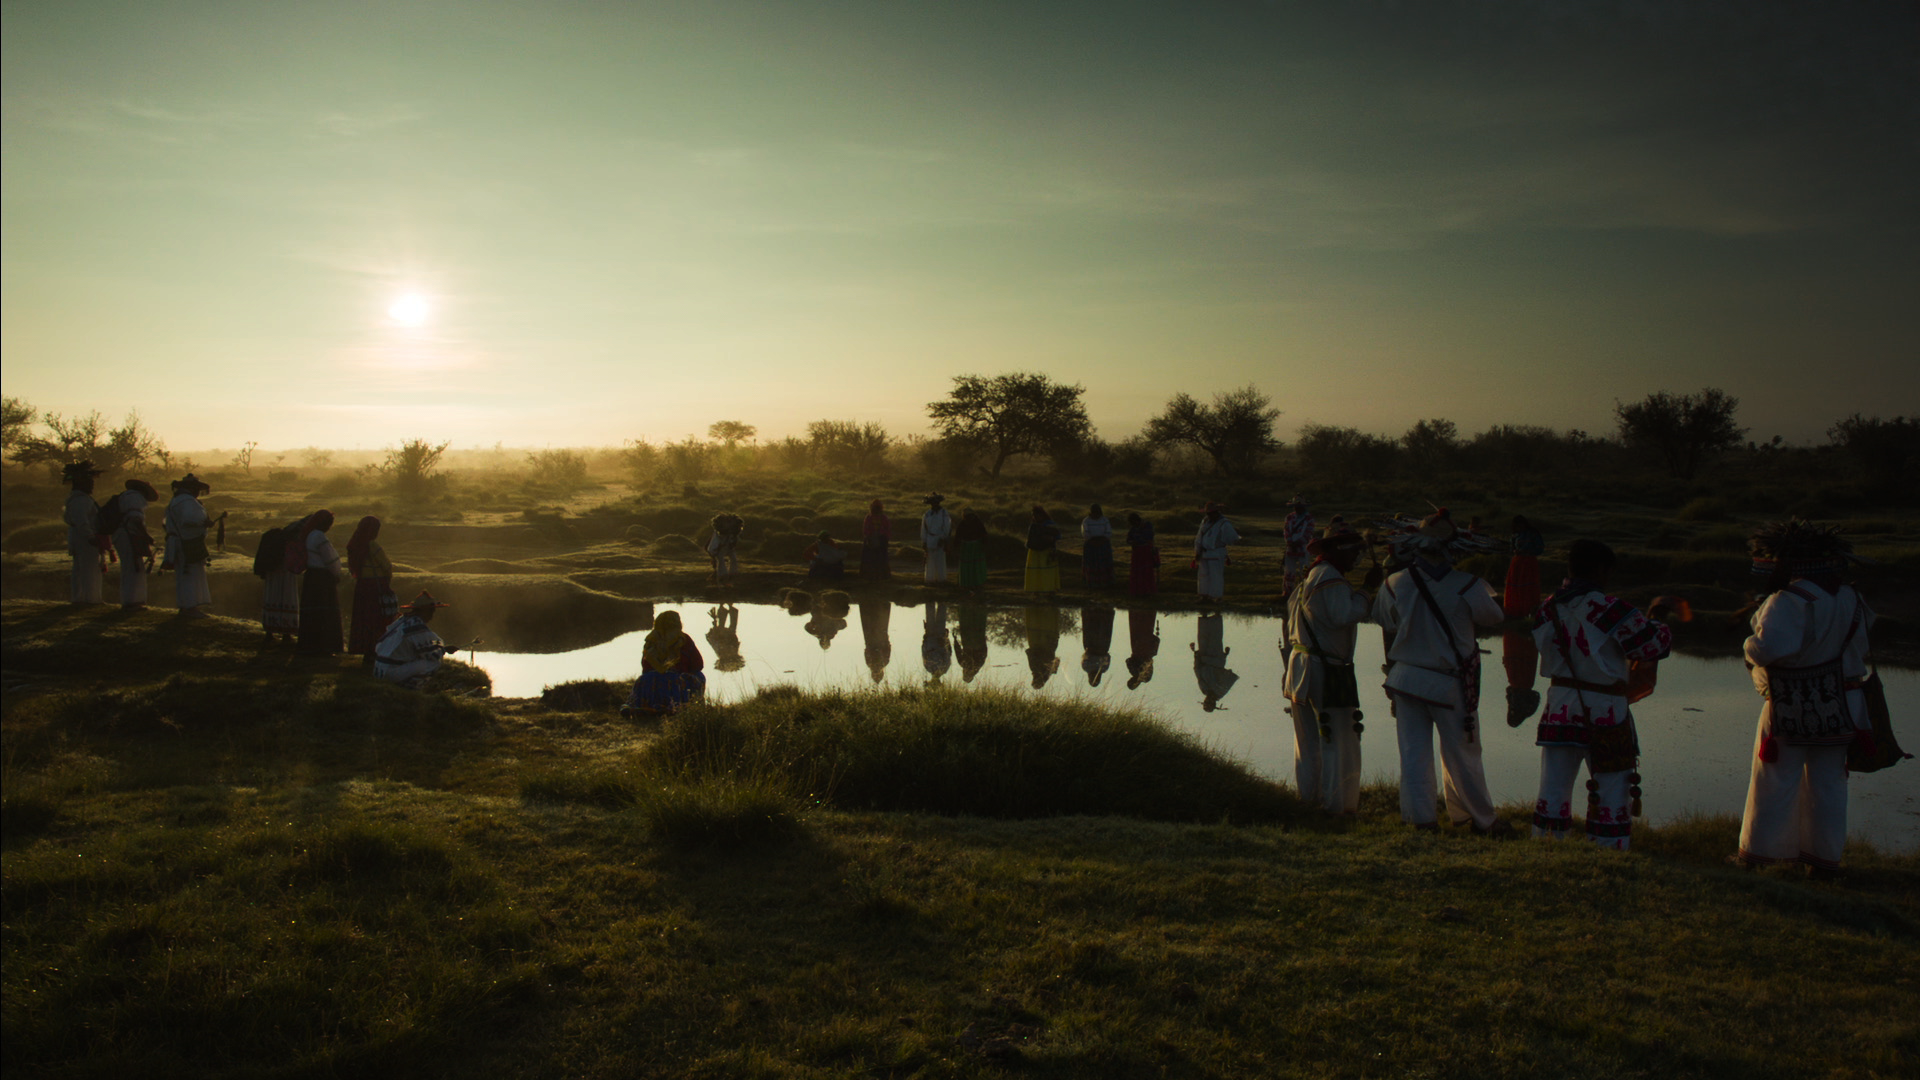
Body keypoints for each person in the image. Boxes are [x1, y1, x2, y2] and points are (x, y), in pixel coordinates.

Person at [1732, 521, 1876, 877]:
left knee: (1775, 780)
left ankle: (1759, 857)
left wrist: (1749, 641)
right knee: (1829, 784)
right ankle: (1823, 861)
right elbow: (1862, 645)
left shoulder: (1787, 601)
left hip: (1791, 705)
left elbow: (1767, 650)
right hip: (1844, 705)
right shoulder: (1851, 597)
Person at [1370, 509, 1510, 834]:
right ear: (1454, 547)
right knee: (1464, 754)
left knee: (1413, 753)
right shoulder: (1470, 585)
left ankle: (1421, 820)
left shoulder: (1393, 583)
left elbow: (1384, 621)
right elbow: (1495, 617)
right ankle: (1480, 820)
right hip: (1448, 684)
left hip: (1406, 680)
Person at [1531, 540, 1672, 850]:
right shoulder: (1611, 609)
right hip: (1605, 708)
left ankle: (1547, 848)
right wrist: (1658, 618)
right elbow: (1652, 646)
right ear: (1600, 570)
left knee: (1553, 785)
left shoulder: (1547, 607)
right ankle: (1607, 851)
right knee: (1612, 786)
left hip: (1560, 707)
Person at [1283, 523, 1378, 815]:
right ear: (1336, 550)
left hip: (1301, 668)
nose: (1356, 560)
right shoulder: (1331, 580)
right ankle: (1334, 805)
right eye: (1353, 553)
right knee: (1336, 739)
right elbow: (1343, 615)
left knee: (1309, 741)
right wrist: (1367, 590)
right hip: (1324, 670)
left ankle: (1310, 800)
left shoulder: (1310, 578)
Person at [623, 610, 707, 716]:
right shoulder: (684, 639)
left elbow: (645, 667)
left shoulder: (651, 640)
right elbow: (698, 665)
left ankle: (645, 707)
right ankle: (682, 706)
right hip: (675, 682)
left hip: (650, 680)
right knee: (699, 675)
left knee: (646, 678)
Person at [161, 473, 215, 617]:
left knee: (184, 575)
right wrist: (205, 523)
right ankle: (190, 607)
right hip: (187, 543)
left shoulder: (177, 500)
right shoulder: (187, 501)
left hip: (180, 541)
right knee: (189, 574)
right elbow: (190, 520)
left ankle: (186, 606)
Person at [374, 591, 452, 688]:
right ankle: (410, 687)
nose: (432, 615)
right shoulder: (416, 625)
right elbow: (431, 654)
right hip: (390, 672)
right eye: (431, 611)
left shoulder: (402, 620)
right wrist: (443, 649)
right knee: (433, 663)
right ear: (424, 611)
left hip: (379, 669)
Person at [295, 510, 346, 656]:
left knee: (312, 612)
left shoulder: (309, 535)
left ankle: (310, 645)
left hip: (312, 577)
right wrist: (337, 573)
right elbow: (330, 560)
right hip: (322, 578)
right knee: (325, 612)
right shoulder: (319, 537)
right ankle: (324, 646)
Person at [345, 516, 397, 660]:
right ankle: (375, 649)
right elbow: (386, 566)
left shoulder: (354, 545)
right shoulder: (372, 545)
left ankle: (363, 647)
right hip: (375, 585)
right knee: (376, 618)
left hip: (362, 585)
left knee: (363, 617)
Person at [109, 479, 159, 609]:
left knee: (129, 567)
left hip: (121, 534)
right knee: (133, 567)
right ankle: (133, 601)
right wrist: (146, 536)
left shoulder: (124, 496)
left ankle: (132, 600)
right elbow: (135, 519)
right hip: (128, 534)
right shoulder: (135, 497)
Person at [62, 461, 106, 604]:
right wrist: (90, 537)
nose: (92, 484)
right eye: (89, 481)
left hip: (81, 537)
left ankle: (83, 598)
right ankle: (89, 599)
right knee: (88, 569)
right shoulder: (80, 501)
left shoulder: (80, 499)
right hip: (84, 539)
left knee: (83, 569)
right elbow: (81, 521)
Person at [253, 520, 303, 642]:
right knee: (287, 598)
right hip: (286, 574)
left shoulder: (271, 538)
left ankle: (269, 632)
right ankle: (287, 633)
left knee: (271, 599)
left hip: (272, 574)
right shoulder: (289, 542)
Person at [1192, 612, 1238, 712]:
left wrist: (1196, 657)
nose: (1208, 700)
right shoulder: (1221, 691)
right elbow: (1229, 675)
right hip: (1216, 658)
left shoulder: (1204, 689)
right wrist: (1224, 656)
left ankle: (1204, 615)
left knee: (1203, 637)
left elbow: (1198, 672)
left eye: (1206, 702)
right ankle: (1217, 614)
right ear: (1214, 703)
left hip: (1203, 658)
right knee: (1215, 637)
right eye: (1210, 703)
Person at [1193, 502, 1239, 602]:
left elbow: (1232, 538)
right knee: (1203, 575)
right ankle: (1204, 596)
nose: (1209, 515)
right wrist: (1197, 551)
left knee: (1216, 576)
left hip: (1216, 552)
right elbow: (1199, 537)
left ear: (1216, 512)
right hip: (1204, 553)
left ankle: (1216, 597)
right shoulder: (1205, 521)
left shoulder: (1224, 523)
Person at [1023, 506, 1062, 593]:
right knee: (1035, 572)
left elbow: (1058, 536)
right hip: (1034, 553)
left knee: (1047, 572)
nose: (1035, 517)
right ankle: (1036, 590)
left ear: (1042, 515)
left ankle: (1048, 589)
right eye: (1034, 515)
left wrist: (1051, 539)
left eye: (1037, 515)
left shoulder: (1050, 524)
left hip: (1046, 552)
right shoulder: (1033, 526)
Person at [1282, 497, 1315, 596]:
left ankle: (1305, 591)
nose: (1297, 508)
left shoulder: (1309, 518)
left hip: (1303, 547)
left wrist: (1299, 542)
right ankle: (1288, 591)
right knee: (1289, 570)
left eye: (1299, 506)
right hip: (1291, 547)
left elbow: (1309, 532)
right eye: (1296, 506)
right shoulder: (1289, 517)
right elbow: (1286, 531)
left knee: (1304, 570)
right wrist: (1290, 542)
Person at [1023, 605, 1061, 689]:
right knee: (1043, 619)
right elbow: (1031, 654)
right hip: (1042, 642)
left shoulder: (1050, 671)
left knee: (1047, 619)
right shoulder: (1038, 669)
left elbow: (1057, 659)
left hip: (1048, 642)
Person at [919, 493, 953, 584]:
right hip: (930, 539)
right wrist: (924, 541)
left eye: (936, 503)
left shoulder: (944, 513)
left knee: (940, 560)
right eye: (932, 503)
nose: (934, 504)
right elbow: (924, 529)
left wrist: (944, 538)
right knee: (930, 560)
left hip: (940, 538)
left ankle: (941, 579)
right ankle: (930, 580)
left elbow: (947, 527)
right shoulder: (927, 514)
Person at [858, 597, 892, 682]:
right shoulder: (873, 663)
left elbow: (887, 648)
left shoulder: (883, 662)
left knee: (875, 620)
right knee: (873, 620)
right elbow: (866, 651)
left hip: (876, 638)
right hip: (873, 639)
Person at [1125, 512, 1159, 597]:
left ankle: (1147, 591)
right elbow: (1128, 539)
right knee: (1137, 571)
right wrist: (1133, 542)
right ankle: (1137, 591)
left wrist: (1137, 541)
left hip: (1146, 551)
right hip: (1137, 552)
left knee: (1146, 571)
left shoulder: (1147, 525)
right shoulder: (1133, 528)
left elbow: (1149, 537)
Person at [954, 603, 990, 682]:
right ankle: (966, 605)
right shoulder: (964, 664)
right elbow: (957, 650)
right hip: (968, 642)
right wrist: (955, 640)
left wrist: (983, 642)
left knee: (979, 623)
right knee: (967, 623)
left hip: (977, 642)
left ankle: (979, 606)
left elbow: (985, 652)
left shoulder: (978, 665)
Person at [956, 509, 990, 593]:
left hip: (975, 546)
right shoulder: (963, 523)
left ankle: (976, 584)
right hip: (967, 546)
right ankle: (968, 584)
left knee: (974, 565)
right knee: (969, 565)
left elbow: (984, 535)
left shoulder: (977, 523)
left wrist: (984, 545)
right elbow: (958, 536)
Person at [1125, 608, 1159, 689]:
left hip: (1148, 650)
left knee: (1147, 627)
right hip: (1138, 649)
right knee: (1138, 626)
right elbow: (1128, 661)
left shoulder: (1146, 677)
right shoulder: (1135, 672)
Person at [706, 604, 747, 673]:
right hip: (726, 637)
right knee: (730, 628)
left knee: (726, 628)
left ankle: (724, 608)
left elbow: (714, 640)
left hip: (721, 637)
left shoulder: (720, 652)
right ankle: (726, 608)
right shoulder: (728, 651)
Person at [1080, 504, 1114, 588]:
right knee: (1091, 563)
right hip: (1091, 544)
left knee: (1104, 562)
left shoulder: (1105, 520)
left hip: (1103, 544)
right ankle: (1091, 581)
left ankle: (1105, 581)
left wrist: (1102, 540)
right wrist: (1092, 541)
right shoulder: (1086, 521)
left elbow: (1108, 532)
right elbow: (1085, 533)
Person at [1081, 604, 1114, 686]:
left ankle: (1104, 609)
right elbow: (1085, 656)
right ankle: (1092, 609)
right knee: (1092, 626)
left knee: (1103, 626)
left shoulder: (1104, 668)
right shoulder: (1086, 667)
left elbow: (1108, 657)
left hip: (1102, 645)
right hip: (1092, 644)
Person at [706, 513, 743, 585]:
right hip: (719, 548)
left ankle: (732, 576)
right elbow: (713, 546)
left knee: (733, 559)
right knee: (721, 561)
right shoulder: (718, 534)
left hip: (727, 547)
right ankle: (723, 578)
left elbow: (734, 541)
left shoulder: (731, 533)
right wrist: (714, 553)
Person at [860, 500, 892, 579]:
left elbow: (887, 530)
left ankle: (880, 574)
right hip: (871, 540)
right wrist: (870, 536)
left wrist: (882, 537)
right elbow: (866, 530)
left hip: (881, 540)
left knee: (881, 557)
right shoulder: (869, 517)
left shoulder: (883, 518)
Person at [922, 600, 952, 683]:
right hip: (939, 637)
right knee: (941, 614)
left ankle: (929, 596)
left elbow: (924, 652)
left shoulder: (928, 668)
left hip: (930, 637)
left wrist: (924, 640)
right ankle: (943, 597)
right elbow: (947, 653)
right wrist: (945, 640)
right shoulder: (944, 668)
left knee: (930, 613)